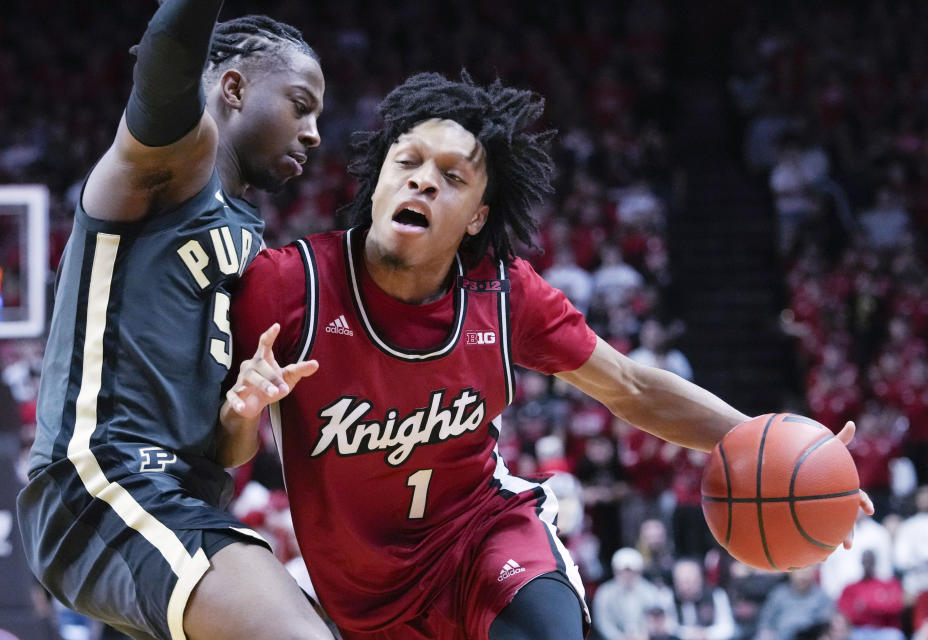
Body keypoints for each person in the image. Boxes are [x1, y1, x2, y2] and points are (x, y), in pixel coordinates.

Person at [220, 71, 873, 639]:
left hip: (484, 544)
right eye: (407, 160)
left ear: (478, 215)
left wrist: (777, 449)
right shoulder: (286, 286)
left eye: (452, 176)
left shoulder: (505, 294)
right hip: (361, 603)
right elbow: (227, 456)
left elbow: (631, 387)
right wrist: (242, 416)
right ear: (381, 173)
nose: (422, 181)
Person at [15, 2, 333, 639]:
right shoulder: (174, 165)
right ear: (234, 88)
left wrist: (244, 411)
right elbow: (167, 59)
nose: (314, 132)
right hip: (104, 478)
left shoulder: (245, 230)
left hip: (188, 496)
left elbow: (229, 448)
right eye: (301, 104)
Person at [591, 547, 675, 640]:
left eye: (631, 571)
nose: (627, 575)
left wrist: (643, 634)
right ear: (615, 571)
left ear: (639, 571)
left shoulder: (650, 591)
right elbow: (603, 623)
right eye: (623, 571)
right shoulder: (604, 593)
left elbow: (654, 618)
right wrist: (619, 637)